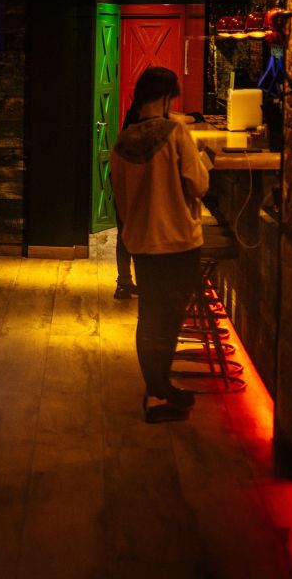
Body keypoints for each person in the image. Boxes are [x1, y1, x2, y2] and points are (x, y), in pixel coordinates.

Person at [110, 67, 211, 423]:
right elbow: (198, 185)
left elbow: (122, 204)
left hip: (142, 243)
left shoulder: (122, 143)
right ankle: (159, 392)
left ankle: (156, 389)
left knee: (150, 316)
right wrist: (205, 161)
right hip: (178, 241)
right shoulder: (176, 134)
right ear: (167, 98)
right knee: (169, 319)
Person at [113, 95, 203, 299]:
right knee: (136, 229)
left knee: (124, 229)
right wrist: (195, 117)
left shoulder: (137, 118)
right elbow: (199, 185)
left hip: (129, 178)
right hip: (143, 180)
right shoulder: (159, 123)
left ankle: (124, 282)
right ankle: (144, 283)